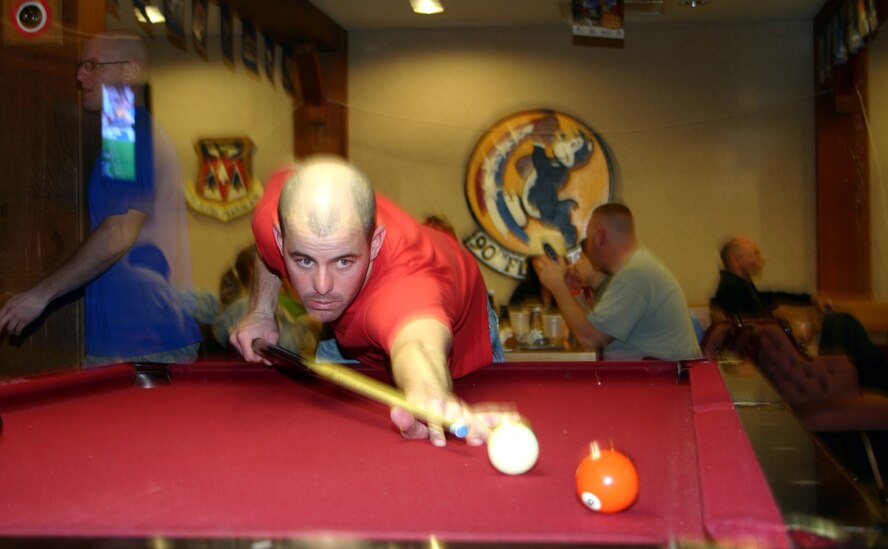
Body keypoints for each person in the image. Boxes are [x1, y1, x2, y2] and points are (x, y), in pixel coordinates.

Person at [229, 156, 504, 447]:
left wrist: (432, 399)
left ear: (373, 244)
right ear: (281, 239)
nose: (322, 286)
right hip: (345, 326)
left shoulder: (407, 285)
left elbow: (417, 345)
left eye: (343, 261)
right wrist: (261, 310)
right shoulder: (277, 219)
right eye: (304, 260)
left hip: (454, 330)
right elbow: (265, 249)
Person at [0, 31, 202, 365]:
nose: (80, 76)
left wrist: (39, 295)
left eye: (93, 65)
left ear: (130, 72)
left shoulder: (133, 132)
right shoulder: (120, 128)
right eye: (81, 66)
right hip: (129, 341)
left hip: (148, 343)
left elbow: (119, 232)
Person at [713, 235, 887, 390]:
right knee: (841, 322)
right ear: (737, 260)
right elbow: (753, 330)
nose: (761, 259)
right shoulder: (731, 291)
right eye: (755, 253)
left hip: (787, 361)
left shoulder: (739, 287)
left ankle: (874, 381)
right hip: (785, 368)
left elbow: (773, 296)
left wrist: (811, 298)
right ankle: (875, 382)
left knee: (843, 325)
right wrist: (791, 333)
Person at [533, 203, 701, 361]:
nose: (587, 246)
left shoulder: (635, 275)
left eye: (589, 238)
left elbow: (590, 339)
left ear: (600, 237)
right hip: (654, 380)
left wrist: (558, 287)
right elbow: (591, 327)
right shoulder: (636, 268)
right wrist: (571, 291)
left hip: (661, 384)